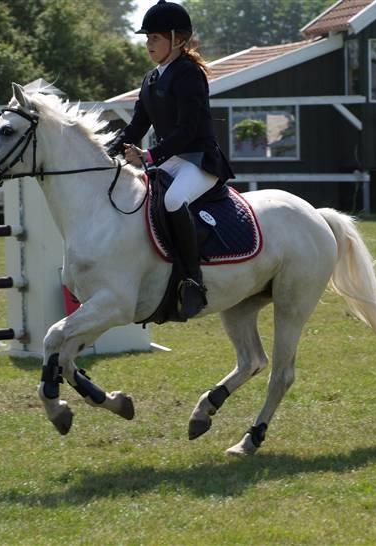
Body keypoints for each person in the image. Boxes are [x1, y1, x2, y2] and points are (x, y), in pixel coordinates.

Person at [107, 0, 234, 320]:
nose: (148, 44)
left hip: (199, 160)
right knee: (141, 201)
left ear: (178, 40)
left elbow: (188, 130)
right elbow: (137, 126)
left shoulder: (189, 75)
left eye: (155, 38)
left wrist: (150, 155)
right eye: (147, 38)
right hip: (169, 160)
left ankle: (193, 280)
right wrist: (107, 151)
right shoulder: (151, 79)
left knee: (175, 200)